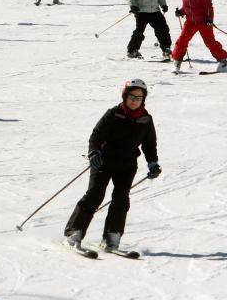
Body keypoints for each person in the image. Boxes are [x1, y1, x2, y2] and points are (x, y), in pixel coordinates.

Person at [64, 79, 162, 253]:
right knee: (95, 195)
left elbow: (149, 144)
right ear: (125, 96)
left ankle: (112, 238)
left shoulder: (146, 120)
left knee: (121, 199)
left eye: (139, 98)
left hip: (127, 164)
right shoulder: (113, 114)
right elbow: (96, 136)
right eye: (131, 96)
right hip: (103, 161)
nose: (134, 100)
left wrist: (153, 163)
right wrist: (94, 152)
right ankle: (74, 234)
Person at [172, 0, 227, 73]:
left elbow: (208, 5)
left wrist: (209, 18)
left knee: (210, 42)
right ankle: (177, 61)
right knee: (182, 40)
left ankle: (223, 62)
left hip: (203, 21)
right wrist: (180, 12)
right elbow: (186, 7)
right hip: (190, 21)